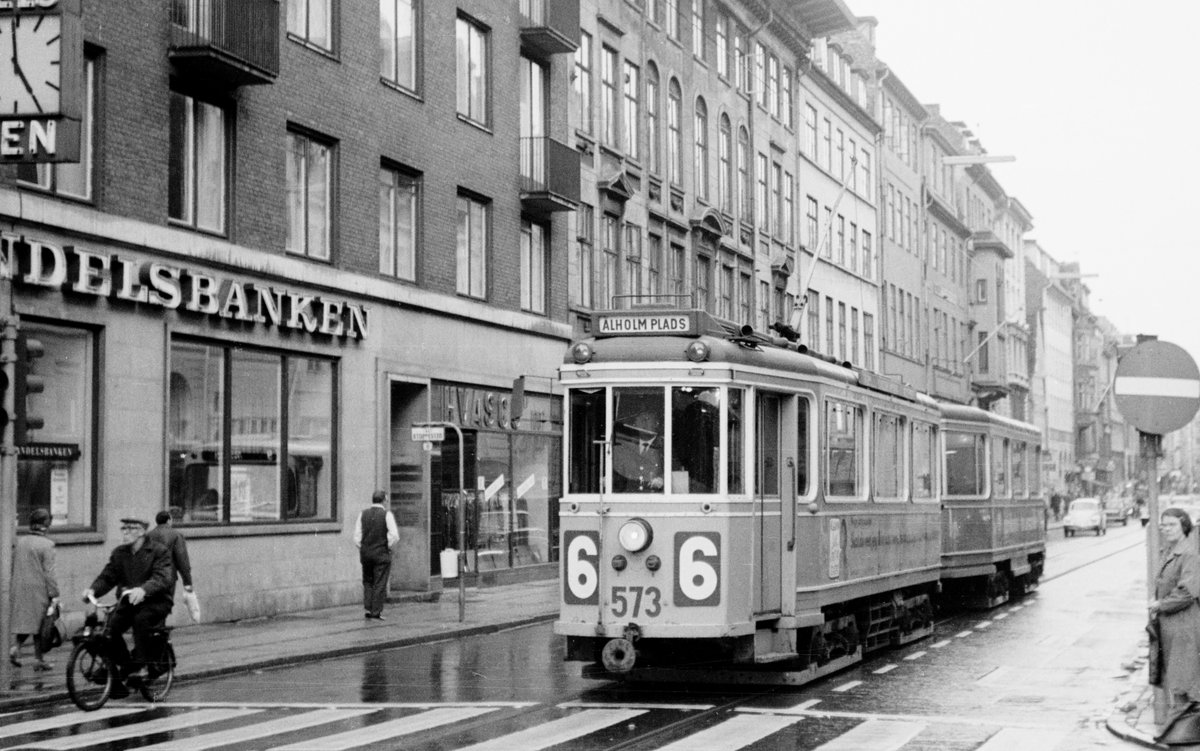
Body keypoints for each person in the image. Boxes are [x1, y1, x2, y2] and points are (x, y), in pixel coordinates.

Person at [83, 516, 174, 695]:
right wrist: (92, 590)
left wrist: (144, 590)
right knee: (110, 630)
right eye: (123, 529)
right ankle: (126, 666)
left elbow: (162, 577)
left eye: (131, 528)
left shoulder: (158, 551)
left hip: (155, 602)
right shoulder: (119, 553)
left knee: (141, 620)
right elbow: (108, 576)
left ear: (142, 532)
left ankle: (142, 666)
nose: (125, 532)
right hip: (129, 601)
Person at [1150, 508, 1200, 714]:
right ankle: (1179, 728)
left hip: (1183, 626)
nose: (1166, 529)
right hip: (1171, 626)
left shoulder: (1188, 553)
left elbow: (1188, 591)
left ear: (1184, 526)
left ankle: (1183, 731)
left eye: (1172, 525)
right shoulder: (1170, 551)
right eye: (1164, 525)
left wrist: (1160, 605)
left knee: (1183, 681)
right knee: (1176, 678)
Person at [10, 508, 59, 670]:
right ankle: (39, 660)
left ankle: (16, 649)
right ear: (46, 524)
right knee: (41, 625)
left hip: (20, 587)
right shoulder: (48, 545)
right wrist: (54, 594)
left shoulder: (20, 542)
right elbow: (49, 573)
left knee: (28, 622)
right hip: (39, 589)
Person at [354, 490, 399, 620]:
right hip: (381, 554)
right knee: (380, 582)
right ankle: (376, 611)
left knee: (368, 581)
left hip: (366, 554)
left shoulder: (363, 514)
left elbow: (357, 537)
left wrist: (364, 547)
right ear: (384, 500)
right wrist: (387, 545)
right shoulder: (387, 515)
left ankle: (368, 608)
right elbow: (394, 535)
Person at [146, 510, 193, 594]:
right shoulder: (176, 535)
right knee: (166, 604)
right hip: (168, 577)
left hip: (150, 578)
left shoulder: (148, 535)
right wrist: (187, 582)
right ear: (168, 520)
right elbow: (182, 560)